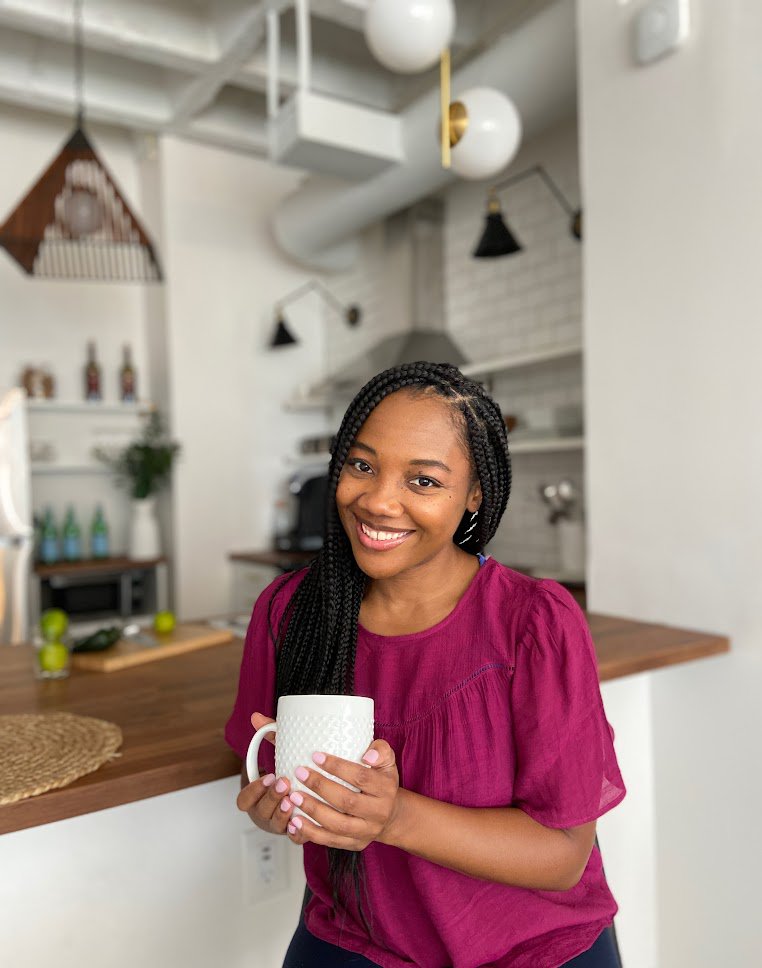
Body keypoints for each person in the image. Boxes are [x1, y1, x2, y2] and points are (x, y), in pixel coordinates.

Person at [226, 362, 626, 968]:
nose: (379, 501)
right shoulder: (291, 611)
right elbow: (256, 770)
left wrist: (394, 816)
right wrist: (274, 808)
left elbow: (564, 855)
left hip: (532, 952)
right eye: (362, 465)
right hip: (353, 941)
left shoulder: (533, 624)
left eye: (423, 481)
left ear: (474, 495)